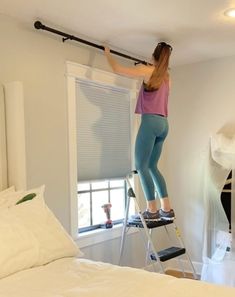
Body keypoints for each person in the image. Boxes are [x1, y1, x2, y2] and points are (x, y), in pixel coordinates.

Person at [104, 42, 175, 221]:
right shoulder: (167, 77)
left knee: (141, 166)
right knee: (152, 166)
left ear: (153, 56)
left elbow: (116, 68)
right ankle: (166, 207)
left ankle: (152, 209)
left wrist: (107, 53)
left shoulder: (147, 71)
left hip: (150, 122)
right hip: (164, 124)